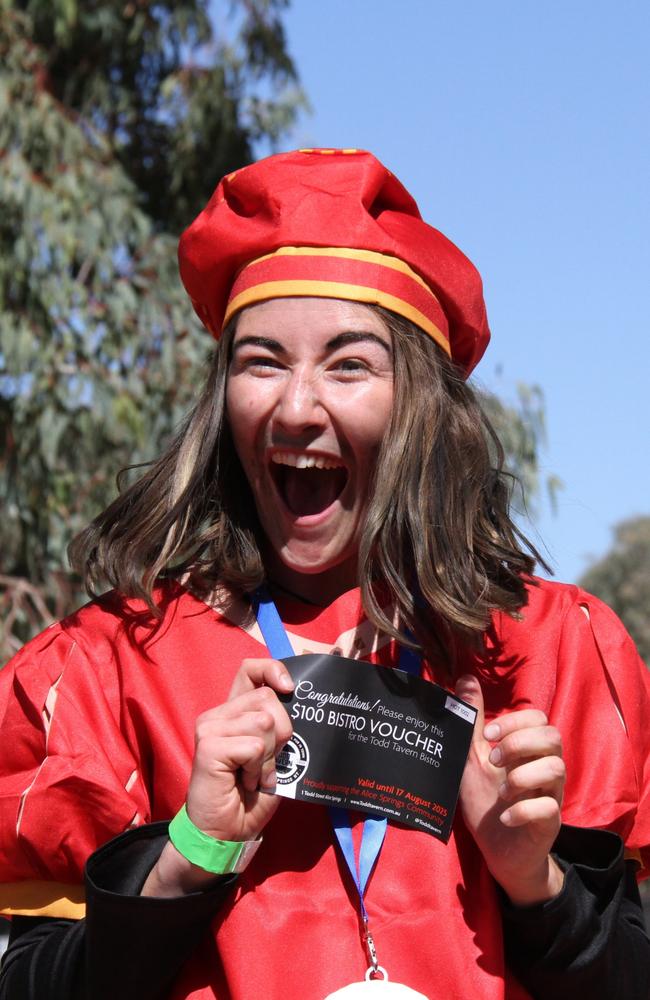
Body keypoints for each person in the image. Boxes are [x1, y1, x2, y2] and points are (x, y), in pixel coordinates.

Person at [0, 148, 648, 1000]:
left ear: (420, 406)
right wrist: (190, 857)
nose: (297, 406)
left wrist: (536, 882)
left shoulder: (553, 652)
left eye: (349, 364)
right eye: (262, 362)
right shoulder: (100, 670)